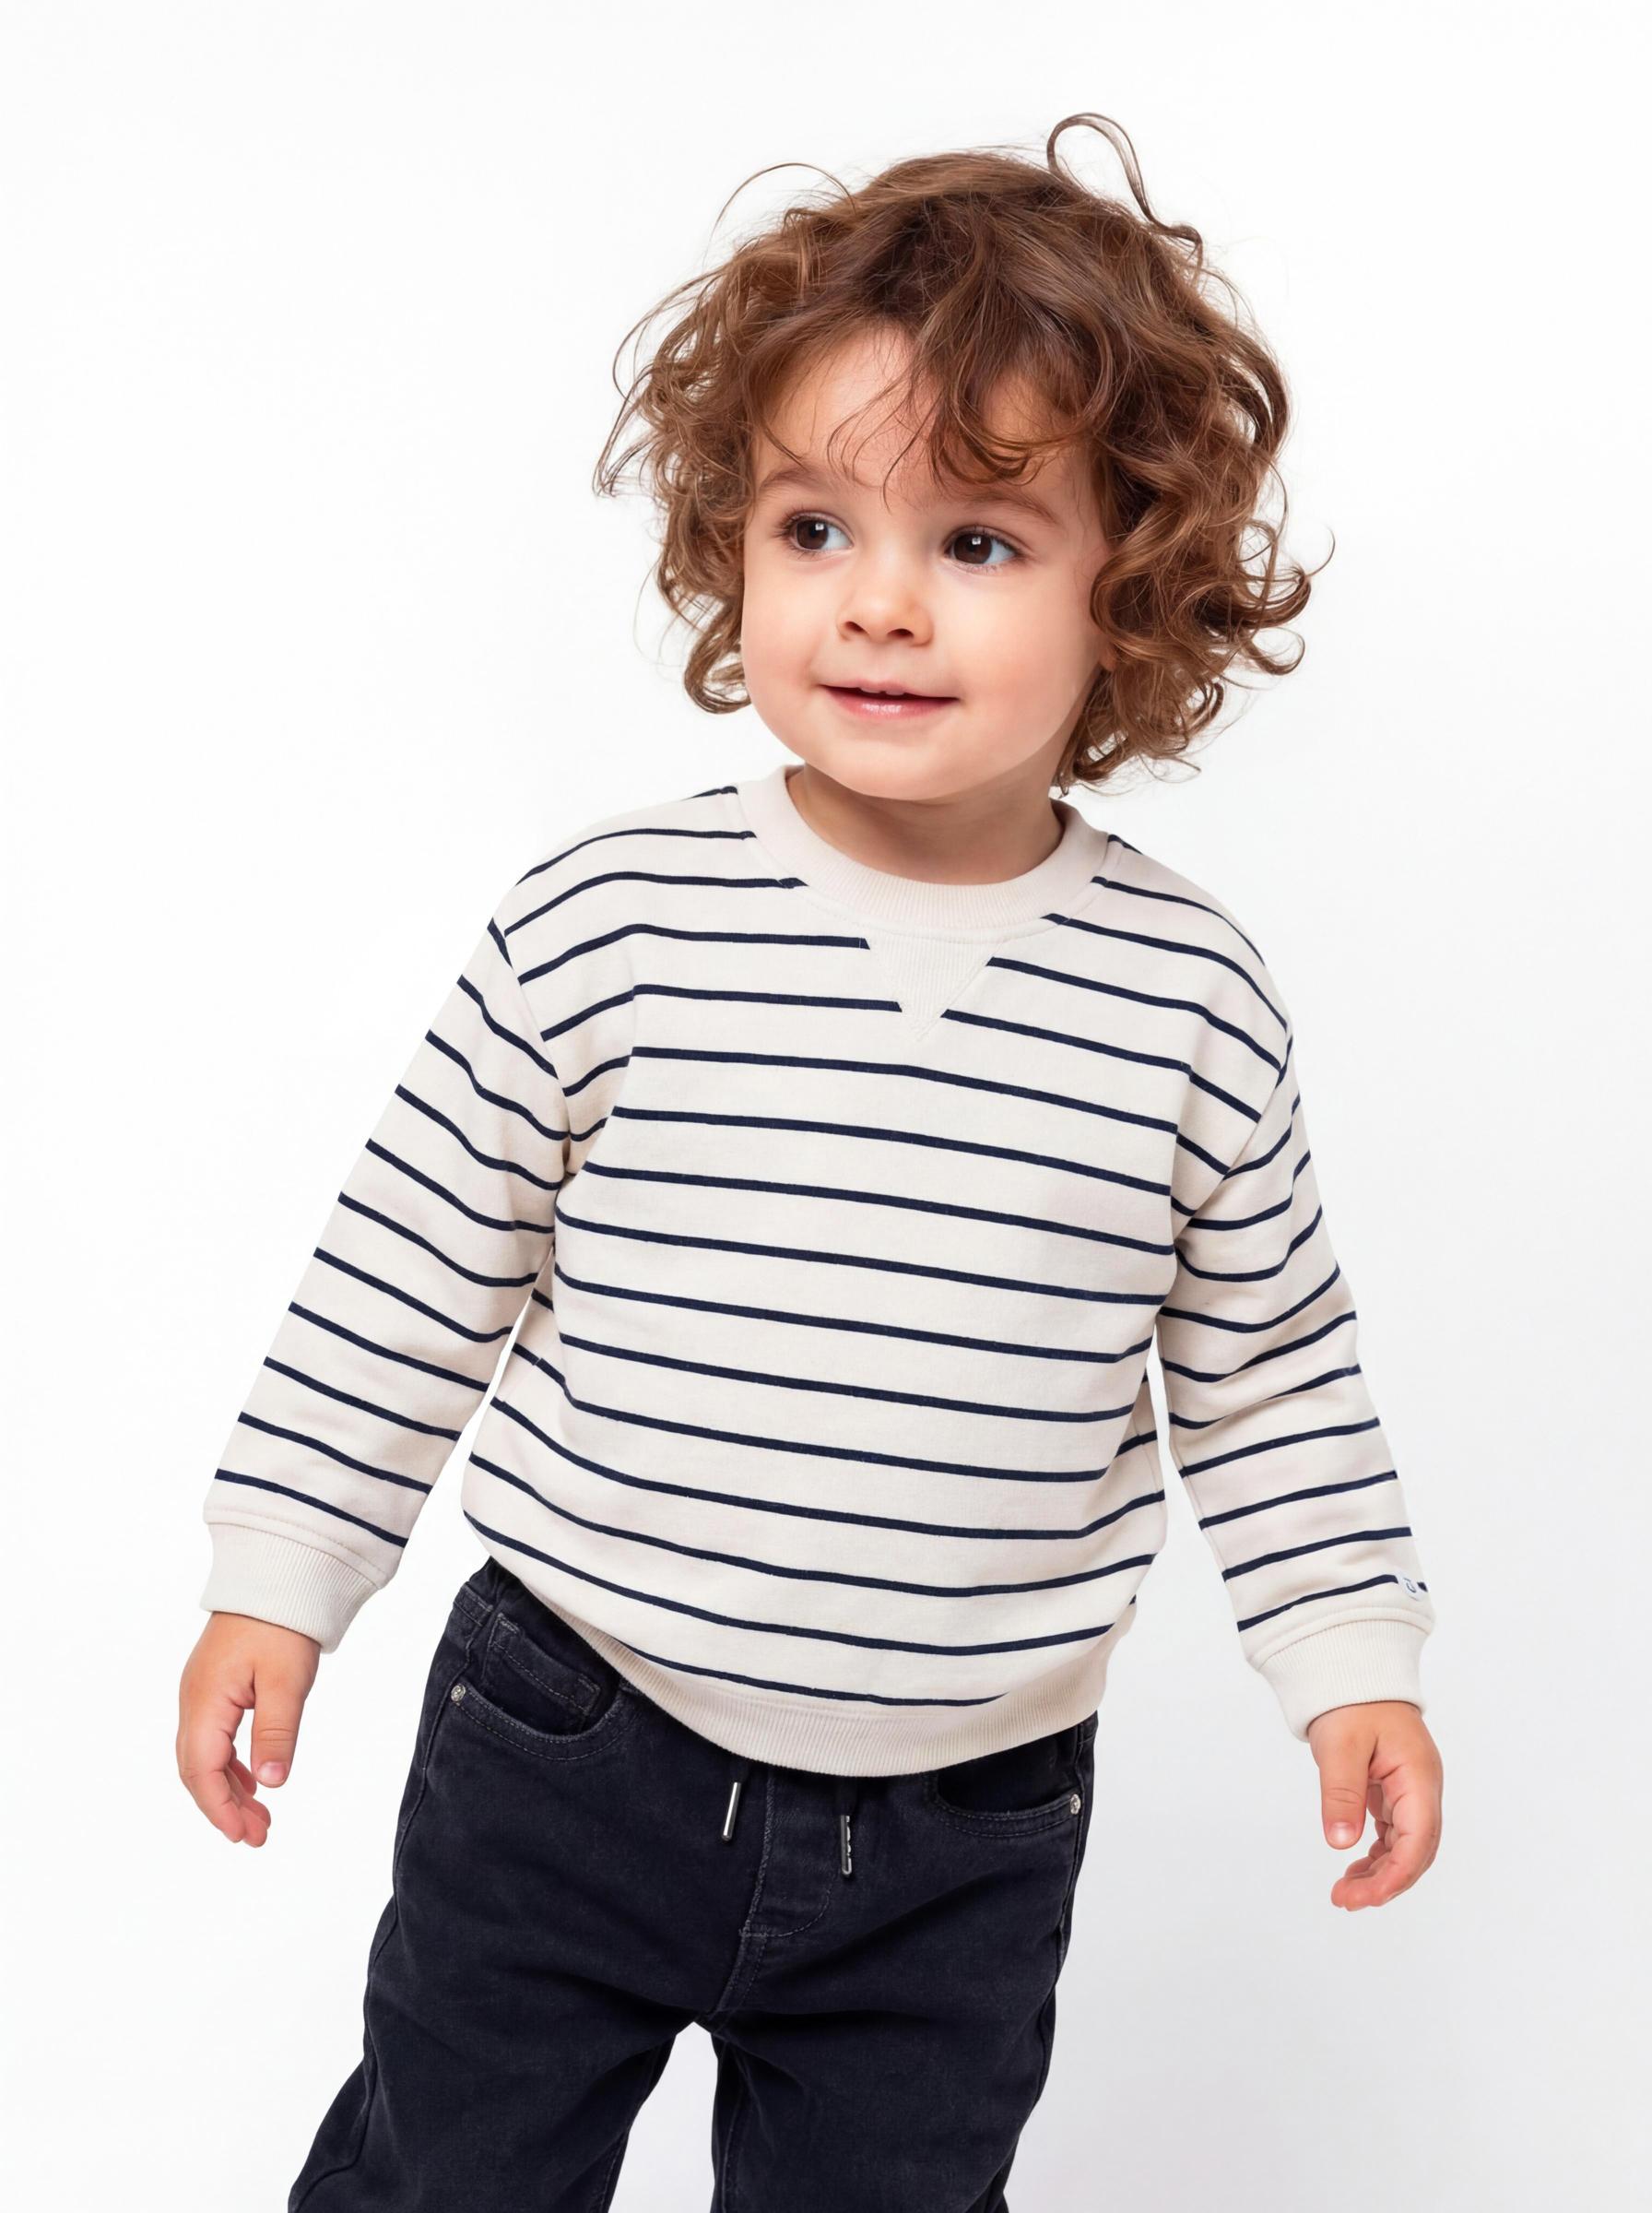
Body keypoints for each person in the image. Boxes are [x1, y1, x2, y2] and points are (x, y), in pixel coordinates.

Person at [176, 112, 1445, 2212]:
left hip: (966, 1819)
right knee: (445, 2175)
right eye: (812, 526)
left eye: (978, 541)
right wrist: (281, 1577)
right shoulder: (610, 922)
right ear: (731, 544)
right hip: (571, 1732)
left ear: (1129, 583)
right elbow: (409, 1272)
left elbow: (1269, 1370)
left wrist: (1350, 1664)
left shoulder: (1183, 995)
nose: (878, 604)